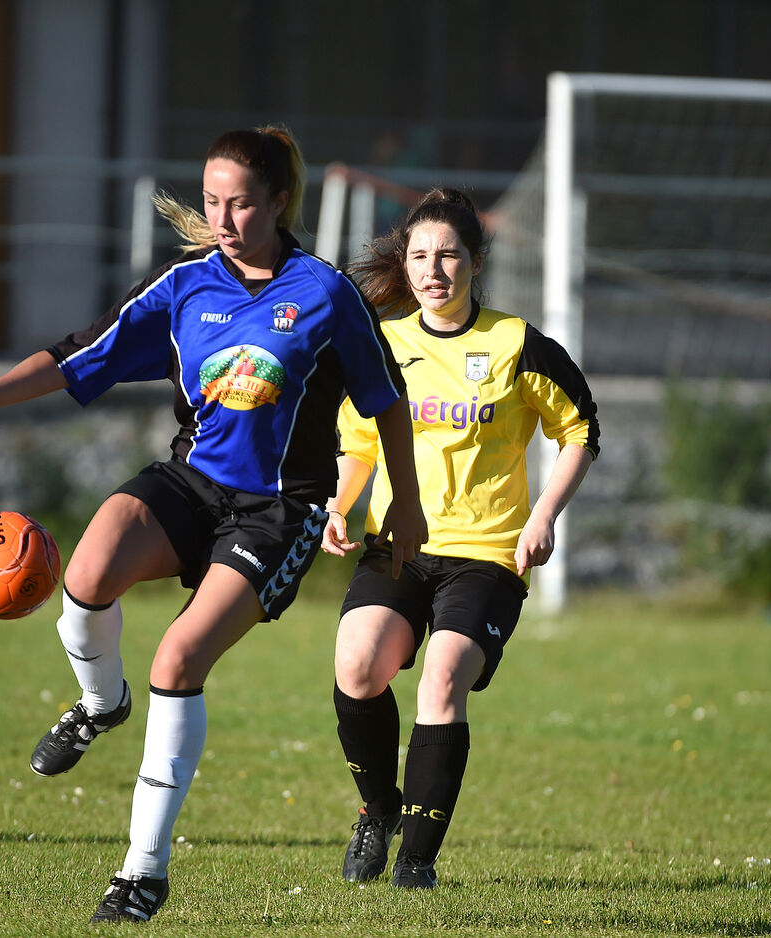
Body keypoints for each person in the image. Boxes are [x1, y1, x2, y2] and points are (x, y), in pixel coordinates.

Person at [0, 126, 428, 924]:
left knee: (179, 656)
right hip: (190, 482)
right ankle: (99, 702)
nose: (223, 218)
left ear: (281, 202)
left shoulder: (324, 294)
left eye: (242, 203)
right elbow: (83, 351)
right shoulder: (186, 284)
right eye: (213, 201)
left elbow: (387, 401)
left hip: (280, 510)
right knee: (84, 575)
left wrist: (405, 504)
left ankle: (142, 874)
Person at [321, 188, 599, 889]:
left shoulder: (516, 344)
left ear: (475, 262)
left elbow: (581, 430)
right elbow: (358, 440)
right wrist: (339, 504)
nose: (433, 269)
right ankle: (378, 811)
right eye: (419, 256)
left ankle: (416, 863)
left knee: (443, 680)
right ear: (405, 265)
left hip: (486, 555)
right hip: (398, 543)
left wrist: (544, 517)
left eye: (448, 255)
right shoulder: (382, 346)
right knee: (357, 666)